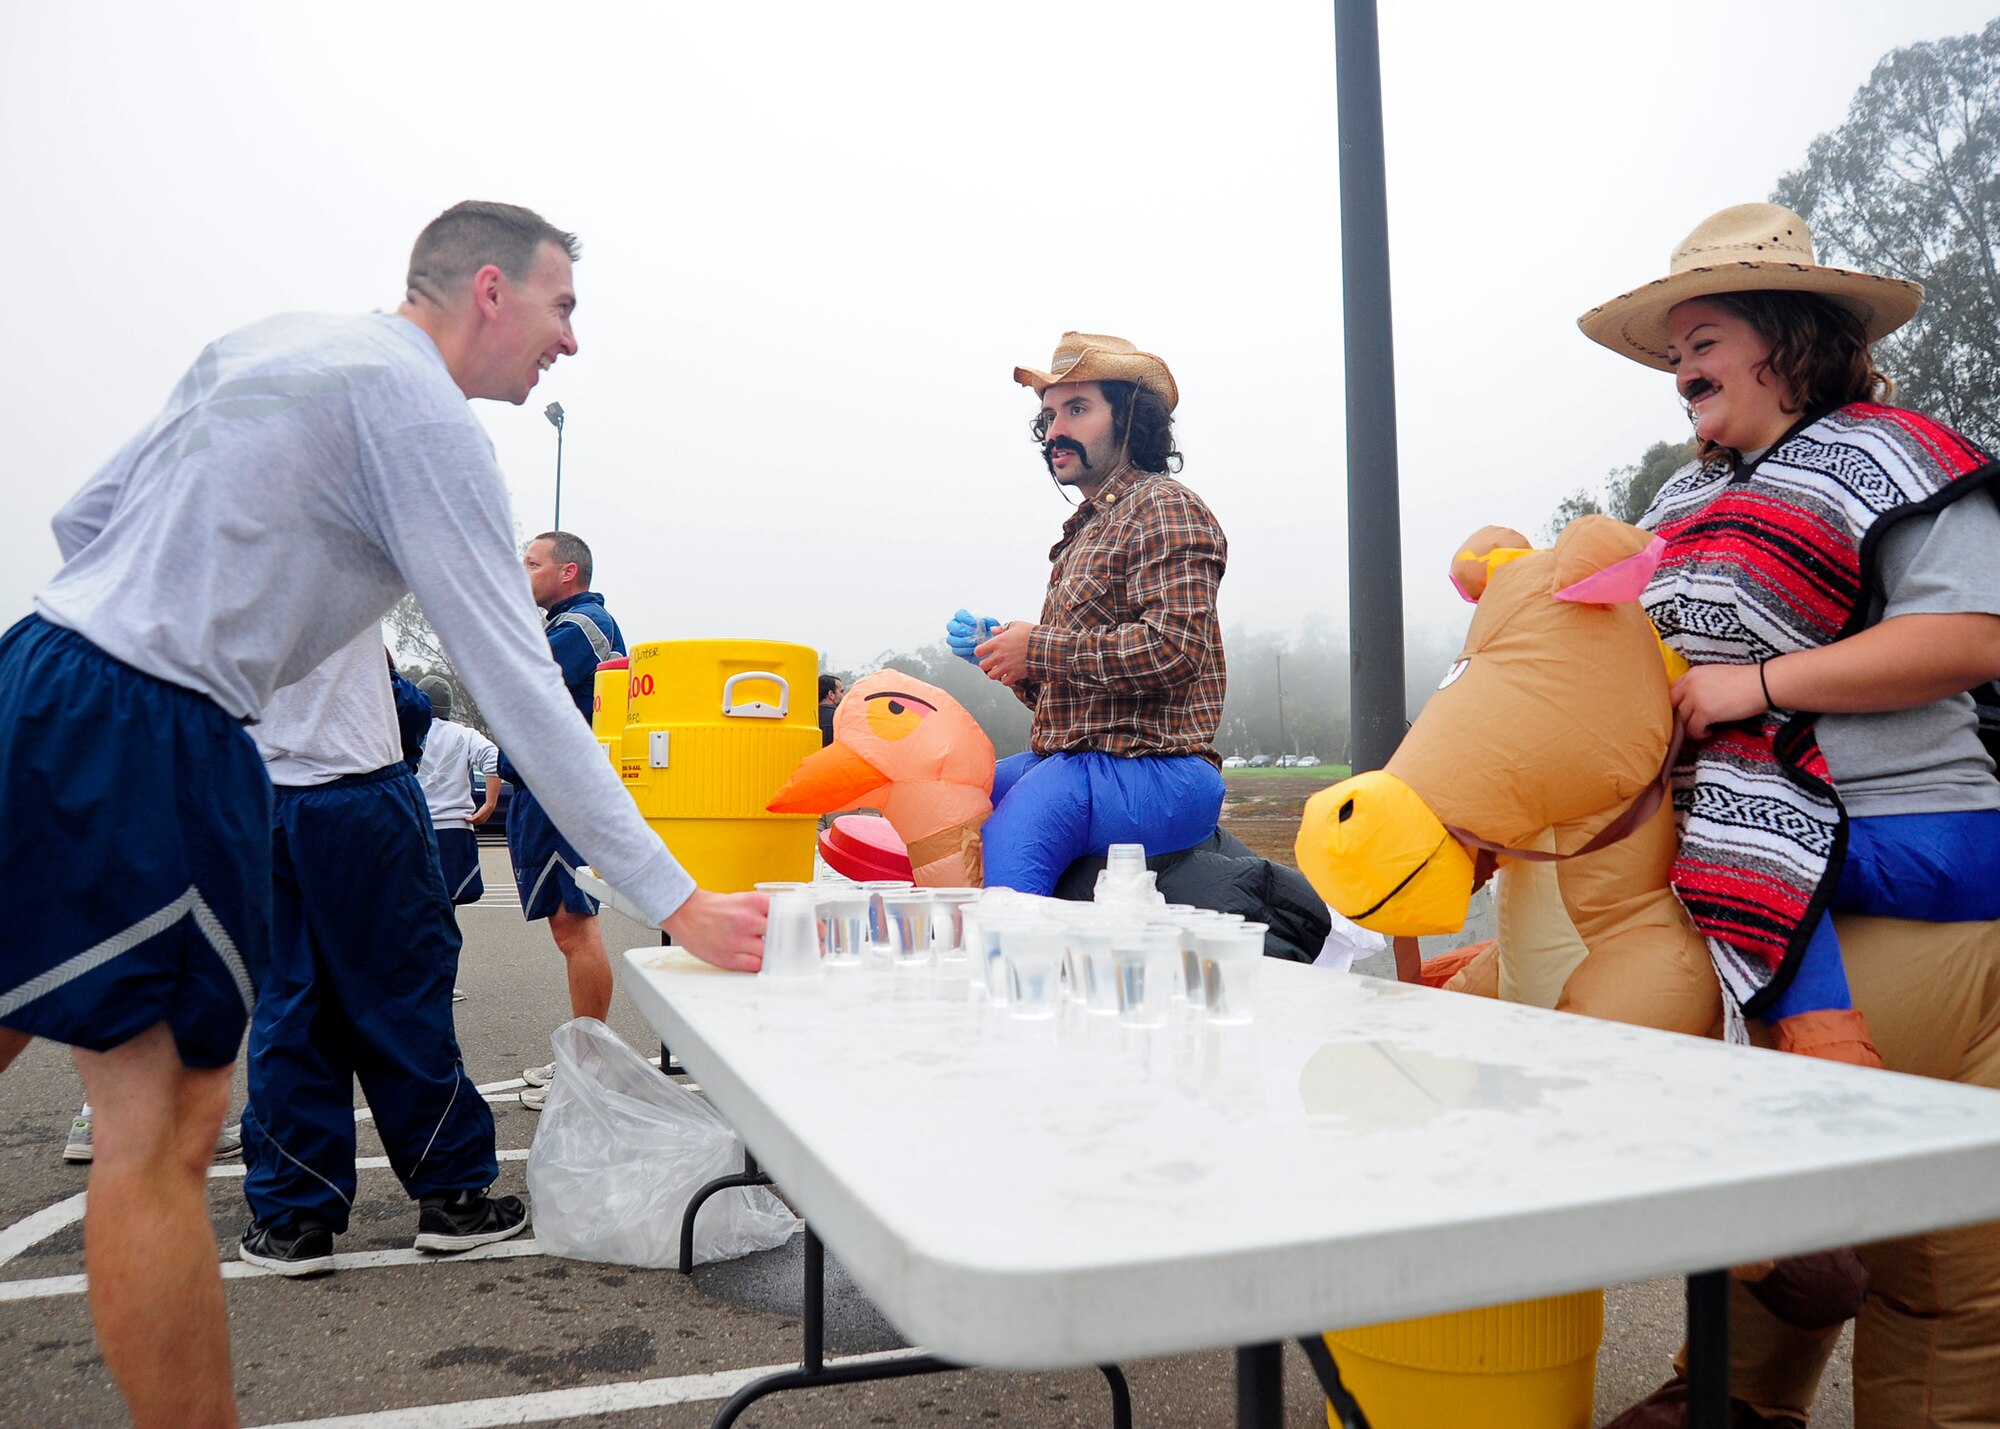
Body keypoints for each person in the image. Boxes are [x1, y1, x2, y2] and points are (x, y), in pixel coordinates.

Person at [0, 199, 766, 1429]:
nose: (568, 340)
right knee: (159, 1132)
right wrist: (677, 897)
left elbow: (84, 518)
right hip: (157, 718)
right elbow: (519, 685)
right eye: (561, 307)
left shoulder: (275, 341)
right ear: (488, 293)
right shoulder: (425, 417)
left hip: (40, 659)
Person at [1580, 202, 2000, 1428]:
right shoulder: (1673, 497)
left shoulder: (1905, 456)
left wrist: (1754, 684)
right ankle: (1731, 1397)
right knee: (1750, 1191)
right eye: (1670, 350)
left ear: (1786, 337)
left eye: (1699, 337)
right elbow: (1588, 639)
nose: (1679, 367)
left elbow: (1970, 635)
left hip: (1897, 848)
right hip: (1721, 861)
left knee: (1940, 1280)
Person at [238, 632, 524, 1275]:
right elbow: (406, 708)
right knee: (401, 998)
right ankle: (452, 1198)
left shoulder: (206, 551)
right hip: (361, 794)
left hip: (260, 796)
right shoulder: (344, 551)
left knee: (288, 1003)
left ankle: (293, 1220)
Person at [945, 332, 1228, 894]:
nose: (1055, 432)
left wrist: (1039, 647)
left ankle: (1013, 972)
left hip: (1161, 770)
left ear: (1131, 422)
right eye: (1048, 415)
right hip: (1090, 762)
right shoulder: (1090, 528)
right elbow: (1081, 702)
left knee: (1015, 832)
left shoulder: (1163, 505)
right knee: (957, 797)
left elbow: (1173, 652)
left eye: (1077, 409)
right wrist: (1007, 656)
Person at [505, 530, 623, 1110]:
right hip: (542, 790)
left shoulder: (582, 627)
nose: (521, 572)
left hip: (562, 791)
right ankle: (582, 1053)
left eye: (531, 563)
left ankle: (587, 1064)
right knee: (566, 929)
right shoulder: (558, 625)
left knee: (577, 926)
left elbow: (518, 681)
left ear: (568, 572)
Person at [414, 673, 501, 908]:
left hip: (413, 828)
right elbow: (493, 757)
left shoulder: (407, 731)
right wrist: (489, 804)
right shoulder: (464, 734)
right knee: (447, 907)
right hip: (455, 829)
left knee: (415, 907)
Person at [817, 672, 844, 747]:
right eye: (841, 691)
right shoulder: (842, 717)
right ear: (831, 694)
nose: (843, 696)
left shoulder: (807, 717)